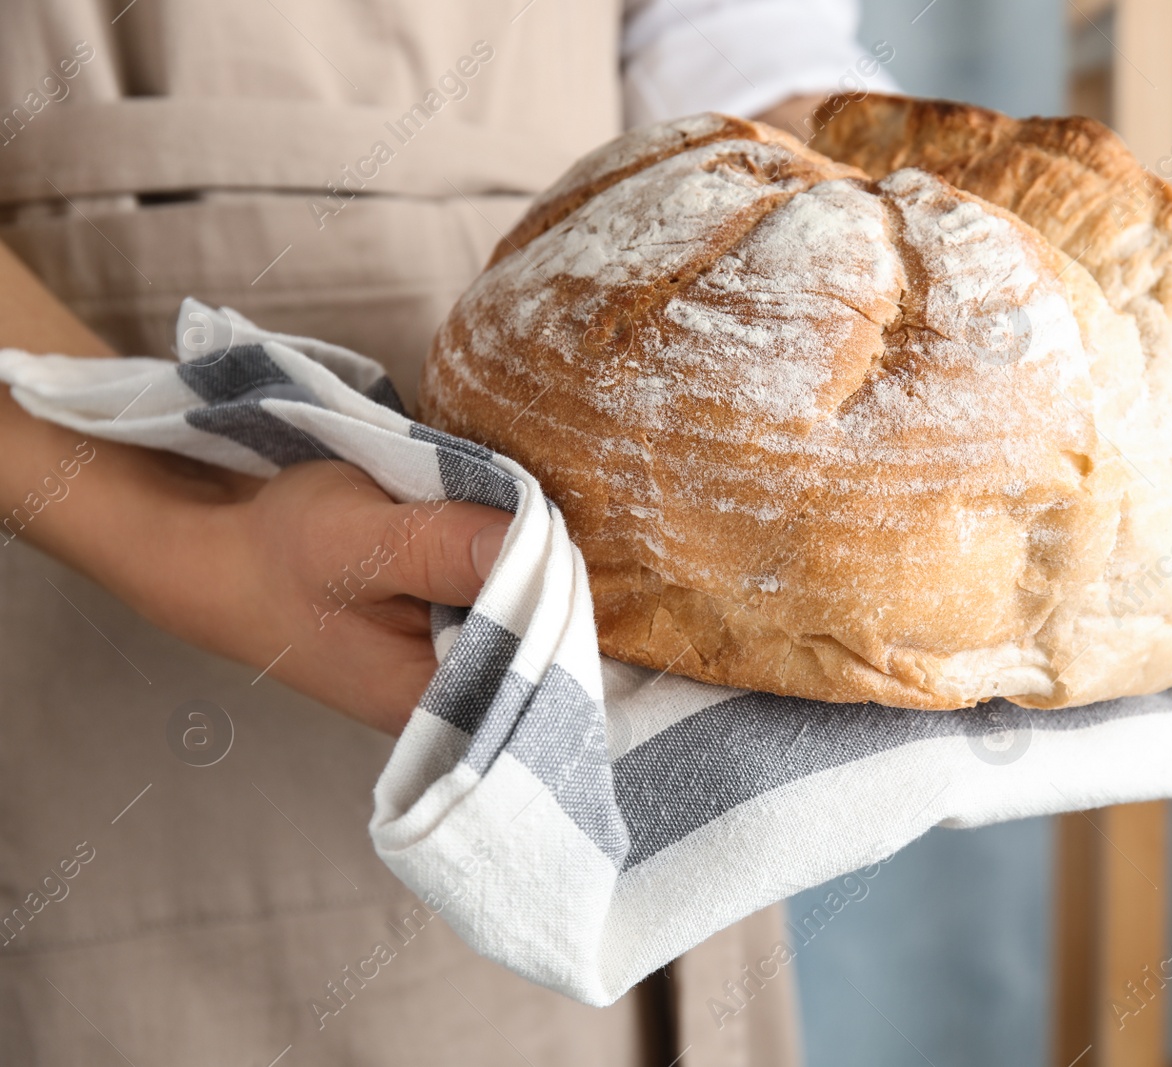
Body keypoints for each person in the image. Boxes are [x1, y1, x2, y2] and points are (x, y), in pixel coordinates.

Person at [0, 1, 892, 1062]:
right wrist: (178, 520)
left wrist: (847, 239)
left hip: (633, 357)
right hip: (90, 447)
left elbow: (724, 42)